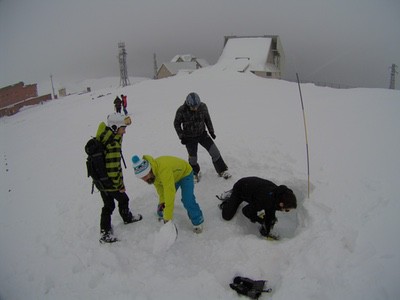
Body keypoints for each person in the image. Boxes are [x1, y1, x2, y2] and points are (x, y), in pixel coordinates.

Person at [96, 113, 142, 243]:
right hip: (110, 182)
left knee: (108, 205)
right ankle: (126, 218)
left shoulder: (106, 136)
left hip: (100, 180)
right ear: (115, 127)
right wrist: (119, 186)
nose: (125, 132)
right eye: (123, 128)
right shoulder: (113, 145)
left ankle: (105, 230)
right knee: (123, 199)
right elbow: (113, 168)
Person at [132, 154, 204, 233]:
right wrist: (162, 203)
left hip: (185, 173)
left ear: (149, 170)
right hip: (173, 177)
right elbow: (161, 191)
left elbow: (169, 193)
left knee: (187, 200)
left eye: (145, 176)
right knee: (164, 202)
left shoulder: (163, 170)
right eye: (142, 178)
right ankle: (164, 212)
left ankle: (198, 220)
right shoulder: (152, 175)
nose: (145, 179)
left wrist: (168, 217)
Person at [174, 92, 231, 182]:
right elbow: (176, 124)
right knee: (193, 159)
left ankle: (222, 170)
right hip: (189, 137)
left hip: (202, 135)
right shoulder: (181, 110)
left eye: (196, 106)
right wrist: (182, 136)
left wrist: (211, 131)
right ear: (188, 104)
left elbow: (207, 119)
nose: (195, 108)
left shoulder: (203, 107)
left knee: (215, 152)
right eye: (193, 107)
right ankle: (194, 173)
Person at [217, 177, 297, 240]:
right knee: (226, 216)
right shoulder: (265, 200)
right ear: (281, 204)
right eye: (287, 210)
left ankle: (249, 199)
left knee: (269, 214)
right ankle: (230, 196)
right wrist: (261, 220)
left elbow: (270, 211)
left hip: (254, 190)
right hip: (240, 188)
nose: (287, 211)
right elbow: (246, 211)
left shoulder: (280, 195)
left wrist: (267, 226)